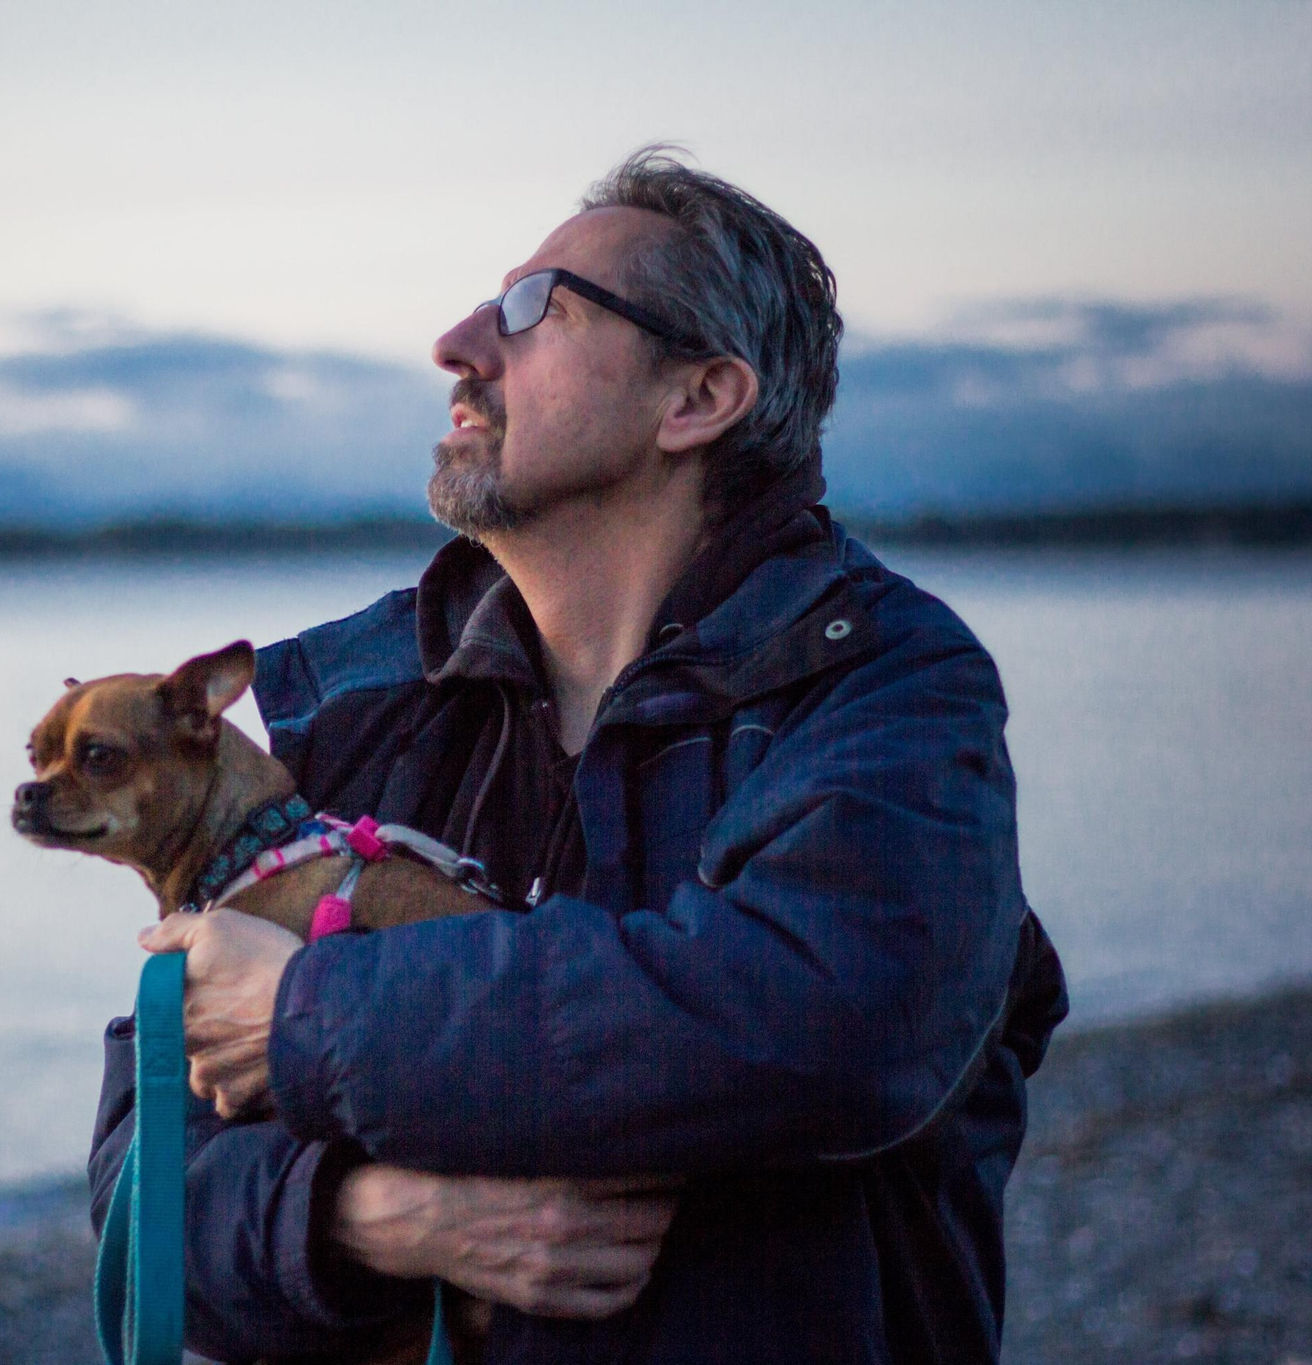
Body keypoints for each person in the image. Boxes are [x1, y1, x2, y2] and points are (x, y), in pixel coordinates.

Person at [95, 146, 1069, 1364]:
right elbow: (138, 1214)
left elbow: (822, 1024)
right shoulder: (336, 710)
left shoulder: (881, 685)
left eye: (529, 310)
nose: (456, 343)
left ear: (697, 400)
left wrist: (310, 1013)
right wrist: (362, 1220)